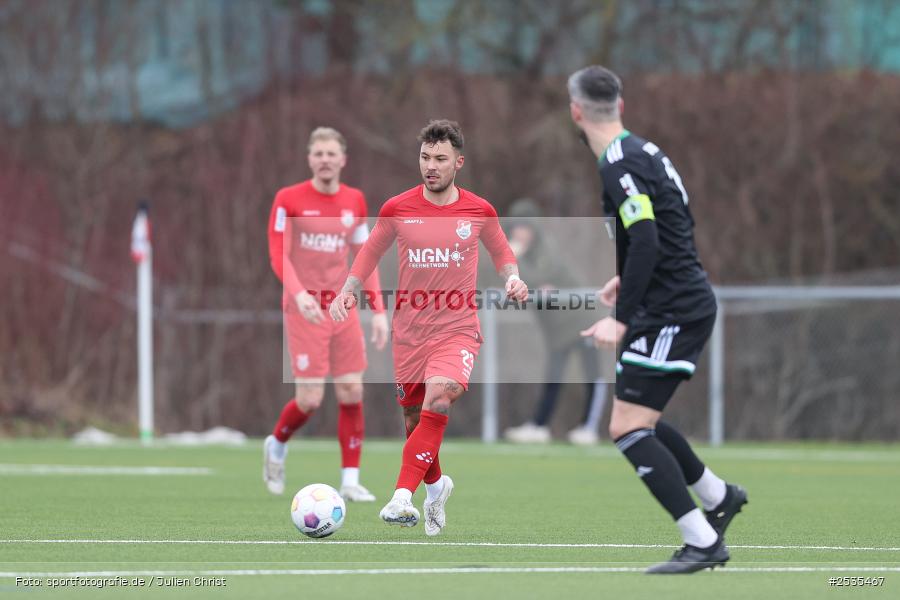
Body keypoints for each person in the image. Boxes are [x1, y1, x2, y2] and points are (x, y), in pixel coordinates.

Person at [568, 66, 748, 574]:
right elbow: (672, 224)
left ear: (576, 111)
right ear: (620, 106)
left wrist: (622, 319)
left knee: (627, 427)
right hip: (668, 300)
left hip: (672, 310)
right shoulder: (644, 152)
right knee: (639, 419)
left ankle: (703, 540)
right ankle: (718, 496)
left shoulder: (616, 164)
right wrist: (626, 278)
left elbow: (647, 234)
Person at [329, 119, 528, 536]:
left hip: (457, 328)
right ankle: (436, 487)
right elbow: (369, 252)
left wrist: (512, 277)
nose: (430, 166)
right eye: (424, 157)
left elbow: (502, 252)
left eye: (440, 159)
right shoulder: (397, 208)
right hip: (409, 332)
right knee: (414, 421)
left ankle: (402, 496)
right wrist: (348, 290)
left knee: (438, 401)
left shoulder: (479, 210)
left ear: (459, 162)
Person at [264, 127, 389, 502]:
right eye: (318, 153)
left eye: (331, 153)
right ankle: (277, 443)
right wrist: (298, 294)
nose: (324, 159)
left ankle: (350, 480)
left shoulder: (355, 201)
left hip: (342, 309)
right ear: (309, 158)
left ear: (343, 159)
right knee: (311, 400)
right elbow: (277, 252)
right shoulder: (289, 199)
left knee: (352, 390)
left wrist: (378, 311)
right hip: (305, 311)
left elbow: (363, 256)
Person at [498, 199, 608, 446]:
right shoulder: (517, 255)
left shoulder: (545, 249)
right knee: (554, 376)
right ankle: (539, 426)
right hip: (559, 330)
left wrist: (518, 260)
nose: (519, 233)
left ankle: (588, 428)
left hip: (582, 318)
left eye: (524, 228)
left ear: (534, 229)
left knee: (593, 374)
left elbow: (539, 277)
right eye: (515, 228)